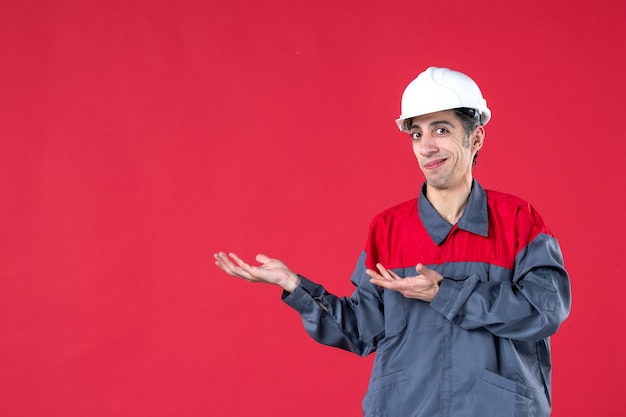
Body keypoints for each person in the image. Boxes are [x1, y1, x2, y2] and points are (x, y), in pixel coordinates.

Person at [214, 66, 572, 417]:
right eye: (417, 134)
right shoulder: (388, 229)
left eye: (441, 129)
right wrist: (294, 286)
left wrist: (445, 292)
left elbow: (545, 310)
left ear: (475, 138)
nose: (426, 146)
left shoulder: (518, 221)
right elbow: (361, 331)